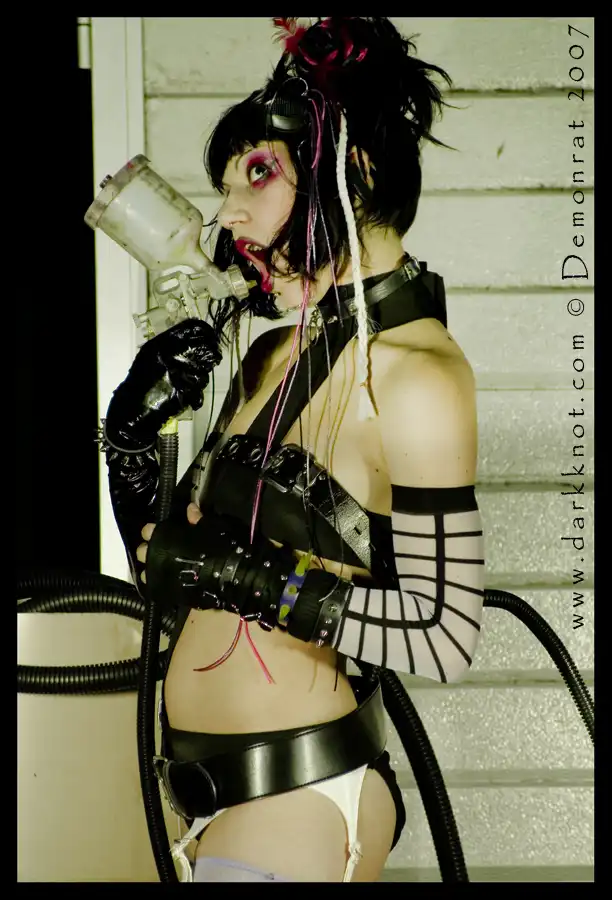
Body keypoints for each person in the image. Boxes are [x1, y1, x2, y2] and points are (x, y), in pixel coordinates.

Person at [124, 17, 485, 883]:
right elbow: (170, 571)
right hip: (194, 799)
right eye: (225, 188)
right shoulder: (271, 357)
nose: (229, 214)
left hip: (297, 795)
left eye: (257, 174)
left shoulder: (417, 376)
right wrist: (129, 441)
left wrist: (237, 574)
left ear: (352, 172)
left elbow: (444, 632)